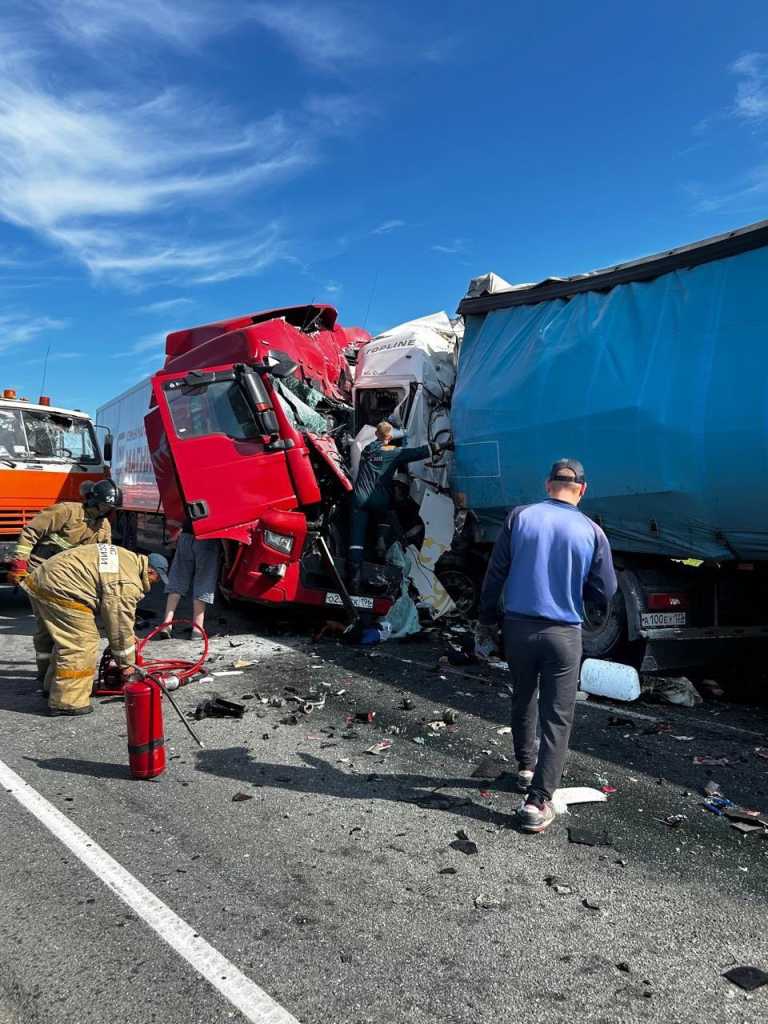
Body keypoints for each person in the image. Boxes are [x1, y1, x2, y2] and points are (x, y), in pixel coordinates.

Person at [477, 458, 617, 833]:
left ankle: (525, 767)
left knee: (523, 696)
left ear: (547, 484)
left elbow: (496, 573)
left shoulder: (519, 517)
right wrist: (579, 592)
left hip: (519, 628)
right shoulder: (592, 531)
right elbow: (606, 590)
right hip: (563, 634)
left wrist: (487, 617)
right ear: (582, 490)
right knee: (557, 715)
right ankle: (537, 801)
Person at [21, 543, 168, 716]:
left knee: (63, 639)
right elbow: (119, 625)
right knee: (81, 642)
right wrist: (127, 664)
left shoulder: (126, 557)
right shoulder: (128, 581)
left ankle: (51, 686)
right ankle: (67, 701)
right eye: (156, 579)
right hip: (61, 587)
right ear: (150, 572)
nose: (154, 584)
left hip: (42, 579)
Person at [7, 479, 122, 686]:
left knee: (71, 629)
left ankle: (58, 674)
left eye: (110, 508)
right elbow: (30, 532)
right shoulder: (66, 511)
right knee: (46, 628)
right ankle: (43, 674)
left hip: (71, 581)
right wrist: (20, 564)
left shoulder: (103, 526)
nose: (106, 511)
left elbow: (105, 557)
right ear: (93, 500)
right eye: (105, 506)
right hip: (41, 572)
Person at [348, 422, 447, 591]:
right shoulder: (393, 452)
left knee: (356, 538)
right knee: (386, 513)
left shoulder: (366, 450)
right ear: (389, 437)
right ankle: (380, 542)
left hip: (359, 498)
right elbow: (418, 452)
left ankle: (354, 578)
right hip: (379, 499)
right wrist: (443, 445)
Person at [155, 520, 221, 640]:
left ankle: (166, 624)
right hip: (208, 536)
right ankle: (197, 629)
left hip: (186, 535)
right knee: (203, 581)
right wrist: (228, 554)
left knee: (178, 578)